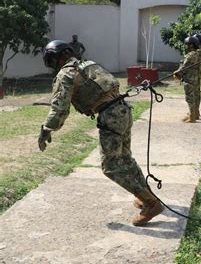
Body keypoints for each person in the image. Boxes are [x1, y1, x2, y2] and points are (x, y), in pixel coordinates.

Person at [38, 40, 163, 226]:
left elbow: (60, 108)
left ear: (56, 58)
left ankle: (151, 203)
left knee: (111, 166)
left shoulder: (66, 73)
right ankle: (144, 196)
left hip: (110, 116)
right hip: (123, 110)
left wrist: (47, 129)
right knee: (126, 159)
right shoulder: (88, 64)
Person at [173, 34, 201, 123]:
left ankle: (192, 117)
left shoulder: (191, 55)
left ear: (191, 45)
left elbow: (184, 67)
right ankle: (195, 113)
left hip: (189, 79)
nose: (186, 46)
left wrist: (176, 73)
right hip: (196, 78)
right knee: (196, 96)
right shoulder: (199, 54)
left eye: (187, 44)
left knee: (189, 98)